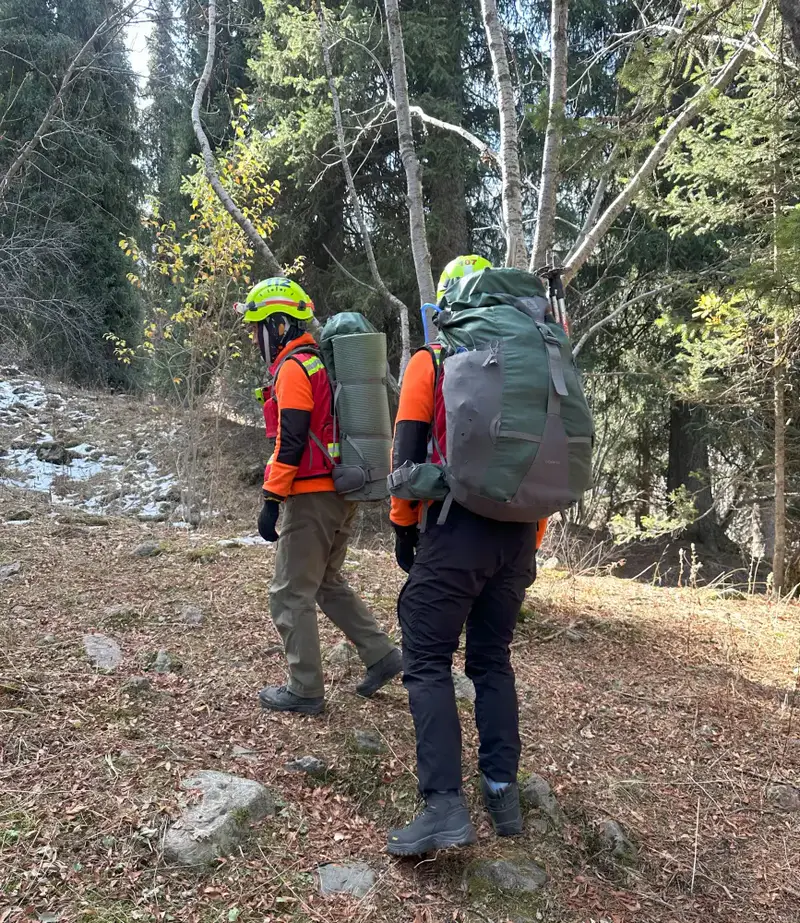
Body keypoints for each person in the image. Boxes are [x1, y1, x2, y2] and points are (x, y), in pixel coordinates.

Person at [386, 257, 547, 856]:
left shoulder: (433, 359)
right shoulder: (534, 366)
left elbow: (405, 466)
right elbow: (540, 464)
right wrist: (527, 537)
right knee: (491, 659)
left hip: (456, 530)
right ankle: (503, 794)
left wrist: (405, 531)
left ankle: (444, 807)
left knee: (426, 657)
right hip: (519, 534)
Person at [235, 277, 402, 716]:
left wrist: (271, 498)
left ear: (278, 324)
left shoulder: (294, 368)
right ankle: (382, 655)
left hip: (311, 497)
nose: (256, 339)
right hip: (340, 492)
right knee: (326, 583)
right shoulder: (317, 363)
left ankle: (305, 690)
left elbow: (290, 439)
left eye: (258, 329)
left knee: (290, 593)